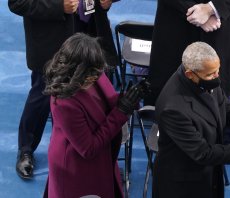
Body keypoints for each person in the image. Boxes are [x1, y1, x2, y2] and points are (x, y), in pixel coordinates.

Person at [8, 0, 119, 179]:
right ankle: (26, 149)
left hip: (91, 34)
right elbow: (18, 3)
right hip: (51, 40)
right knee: (42, 96)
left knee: (93, 96)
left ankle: (93, 152)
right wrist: (59, 7)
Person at [152, 42, 230, 198]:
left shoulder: (205, 76)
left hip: (208, 173)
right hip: (184, 184)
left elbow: (229, 111)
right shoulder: (173, 109)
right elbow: (204, 153)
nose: (217, 77)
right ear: (190, 74)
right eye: (211, 74)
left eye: (218, 71)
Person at [147, 0, 230, 173]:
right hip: (177, 22)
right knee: (176, 90)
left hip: (222, 23)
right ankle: (184, 144)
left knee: (224, 90)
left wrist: (213, 9)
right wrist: (196, 14)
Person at [43, 33, 150, 198]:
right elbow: (88, 148)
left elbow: (107, 103)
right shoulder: (63, 101)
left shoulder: (92, 72)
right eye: (91, 75)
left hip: (101, 159)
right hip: (76, 171)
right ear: (76, 70)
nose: (96, 78)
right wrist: (122, 111)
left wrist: (129, 98)